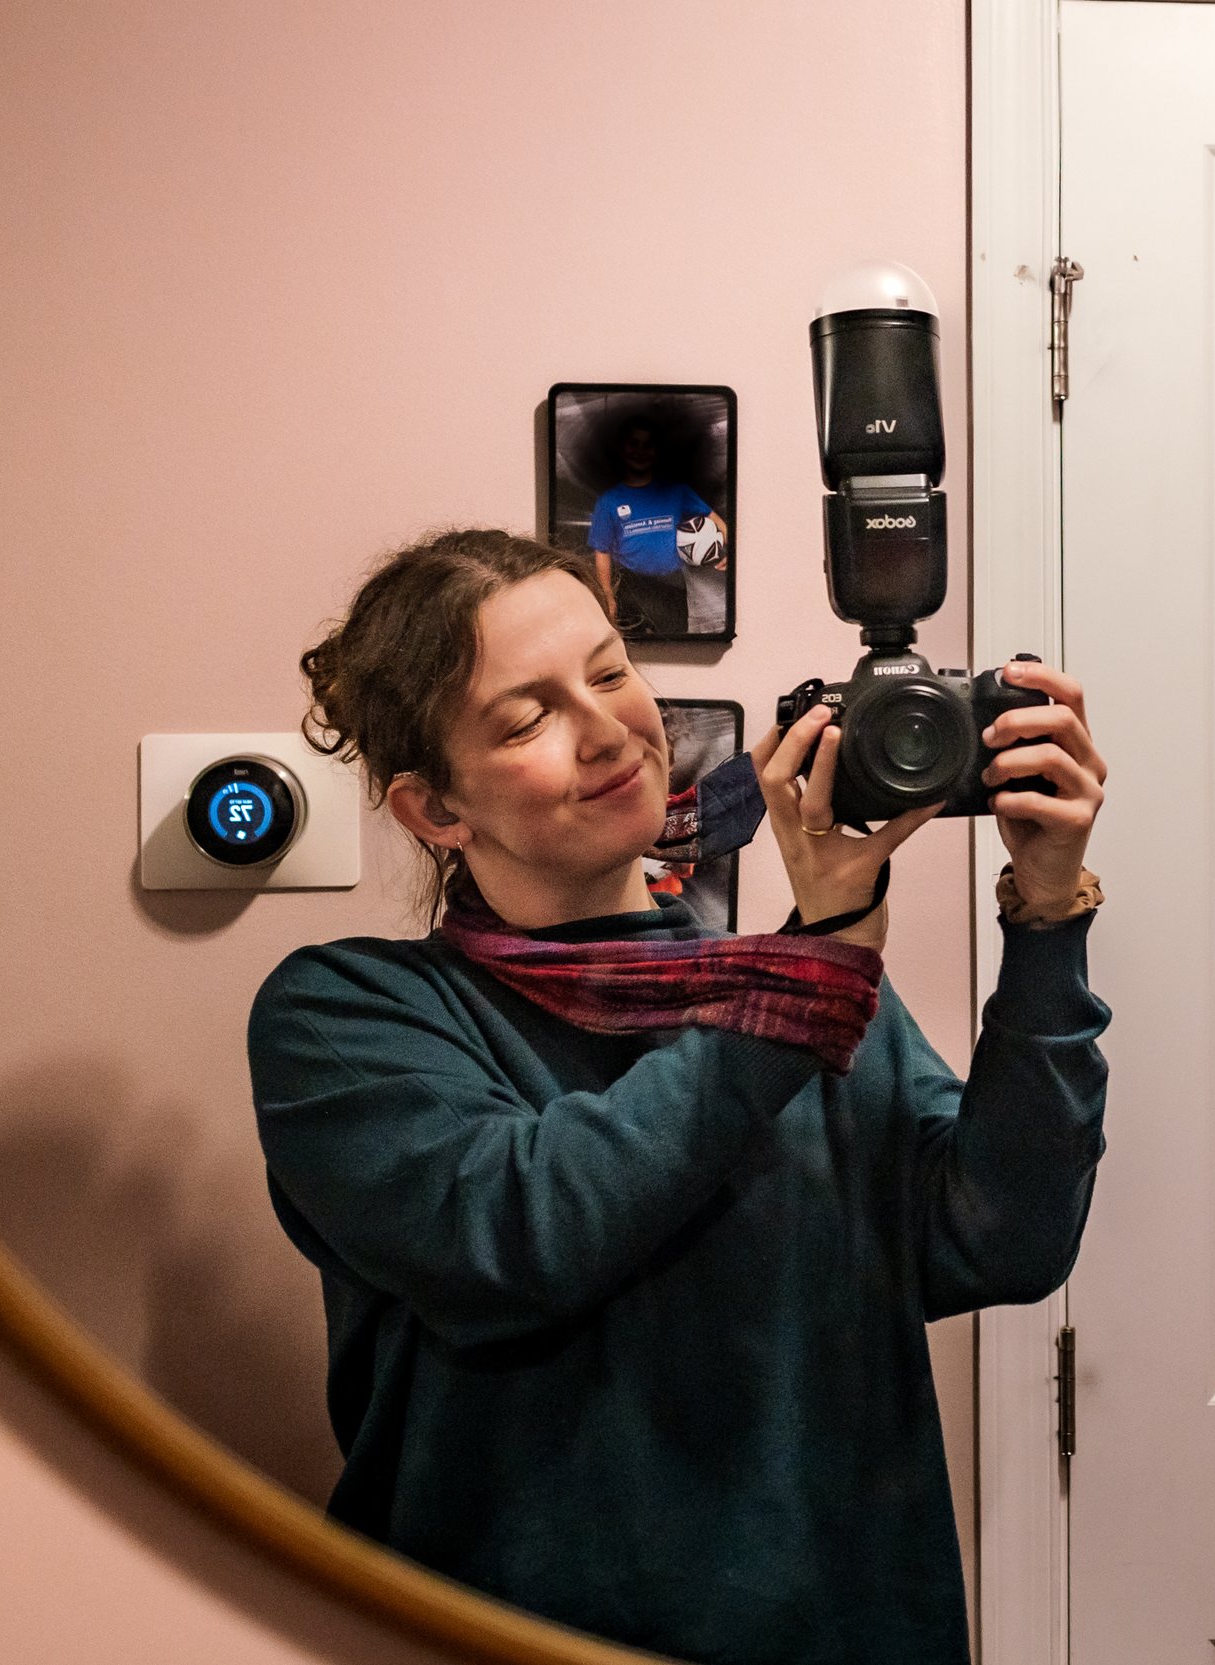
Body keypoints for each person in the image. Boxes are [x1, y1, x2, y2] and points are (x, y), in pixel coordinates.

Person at [248, 528, 1109, 1665]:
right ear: (435, 812)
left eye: (609, 672)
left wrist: (1046, 917)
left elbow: (1003, 1242)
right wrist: (815, 966)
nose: (607, 727)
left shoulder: (803, 992)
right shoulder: (349, 1015)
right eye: (526, 717)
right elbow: (518, 1237)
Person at [586, 416, 726, 638]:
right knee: (632, 645)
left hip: (673, 584)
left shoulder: (675, 491)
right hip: (631, 585)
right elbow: (601, 550)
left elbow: (713, 517)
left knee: (676, 642)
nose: (640, 451)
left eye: (648, 445)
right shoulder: (609, 501)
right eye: (634, 444)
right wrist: (607, 595)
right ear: (622, 450)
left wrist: (728, 548)